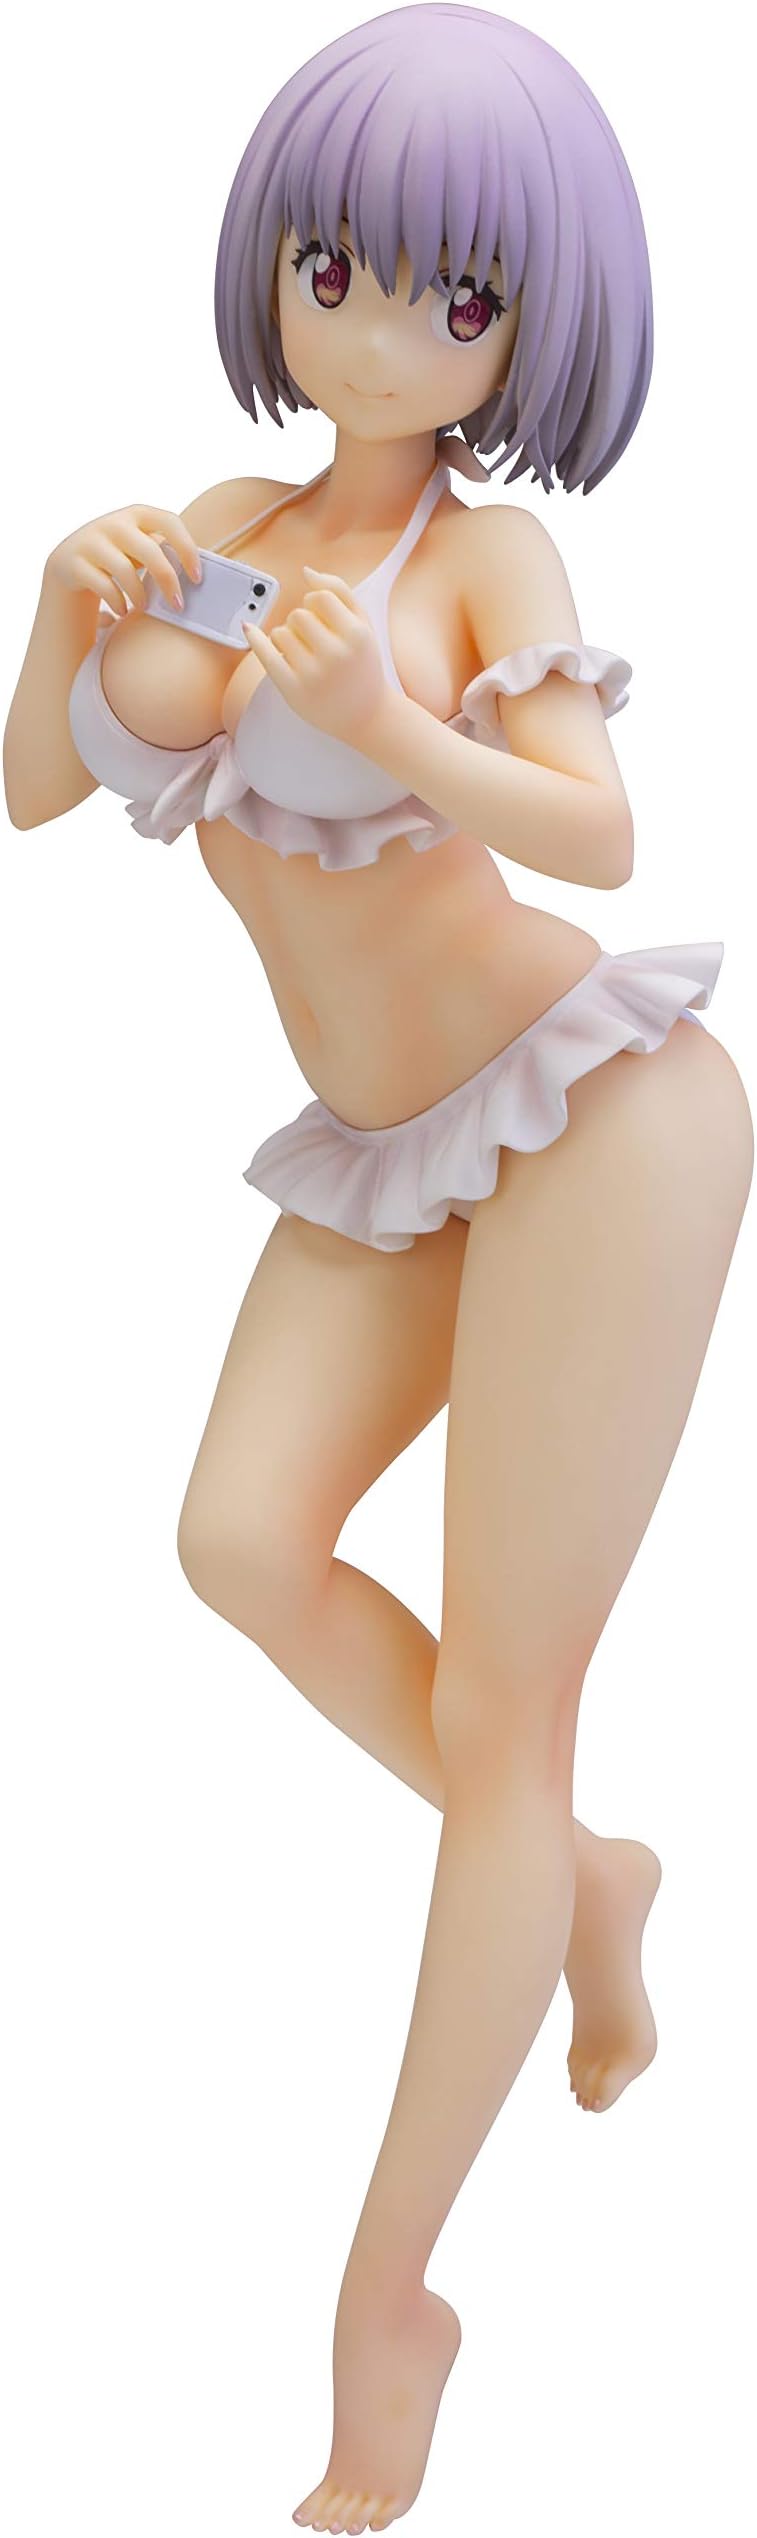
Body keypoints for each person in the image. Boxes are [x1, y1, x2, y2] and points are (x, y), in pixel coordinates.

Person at [3, 8, 753, 2530]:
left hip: (597, 1114)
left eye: (457, 294)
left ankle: (390, 2303)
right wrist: (59, 600)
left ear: (532, 327)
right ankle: (587, 1885)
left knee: (506, 1718)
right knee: (235, 1542)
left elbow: (601, 835)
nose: (383, 330)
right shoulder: (224, 514)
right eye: (335, 267)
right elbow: (35, 787)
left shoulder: (485, 558)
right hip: (386, 1144)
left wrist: (401, 731)